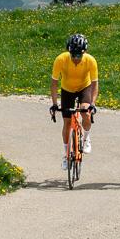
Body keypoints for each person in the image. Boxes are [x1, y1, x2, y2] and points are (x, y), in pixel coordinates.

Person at [50, 33, 98, 171]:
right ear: (69, 52)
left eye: (79, 55)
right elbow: (54, 83)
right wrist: (54, 103)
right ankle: (66, 155)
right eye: (74, 55)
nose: (76, 58)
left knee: (85, 111)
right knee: (66, 122)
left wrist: (92, 104)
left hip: (84, 87)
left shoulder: (90, 61)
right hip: (67, 90)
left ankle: (87, 137)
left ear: (85, 53)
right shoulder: (60, 59)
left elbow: (95, 84)